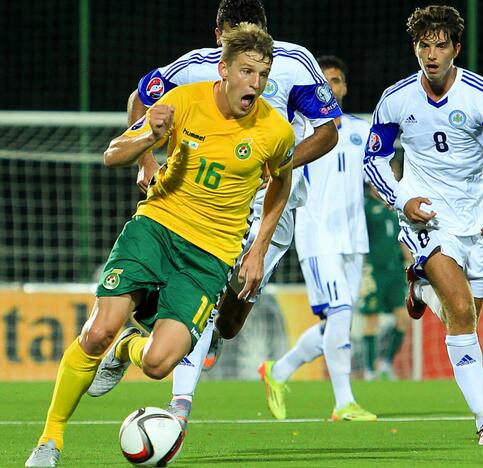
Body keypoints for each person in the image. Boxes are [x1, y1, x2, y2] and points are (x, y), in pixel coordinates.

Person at [24, 23, 295, 467]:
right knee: (95, 331)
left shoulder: (275, 131)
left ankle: (127, 349)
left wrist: (259, 248)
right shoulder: (183, 102)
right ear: (224, 70)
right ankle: (49, 442)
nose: (256, 84)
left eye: (263, 74)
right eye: (247, 72)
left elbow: (281, 185)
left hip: (209, 256)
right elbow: (112, 154)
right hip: (156, 227)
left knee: (157, 363)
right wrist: (149, 138)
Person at [121, 0, 341, 429]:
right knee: (205, 294)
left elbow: (328, 131)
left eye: (255, 35)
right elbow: (138, 98)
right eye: (236, 36)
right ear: (218, 35)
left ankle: (211, 335)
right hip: (205, 205)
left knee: (233, 315)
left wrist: (281, 164)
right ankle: (178, 409)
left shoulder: (294, 64)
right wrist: (146, 161)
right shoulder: (193, 68)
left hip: (271, 205)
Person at [363, 5, 483, 445]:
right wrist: (403, 199)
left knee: (467, 317)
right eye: (424, 44)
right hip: (428, 216)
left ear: (456, 48)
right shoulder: (396, 99)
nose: (431, 53)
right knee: (460, 310)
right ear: (415, 48)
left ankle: (420, 288)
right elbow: (374, 159)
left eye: (441, 45)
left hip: (479, 218)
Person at [258, 55, 376, 421]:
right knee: (340, 311)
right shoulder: (300, 135)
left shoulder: (362, 129)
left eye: (337, 80)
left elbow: (377, 177)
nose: (332, 86)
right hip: (318, 234)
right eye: (325, 81)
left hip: (355, 238)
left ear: (344, 86)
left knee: (336, 323)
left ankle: (276, 372)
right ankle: (343, 403)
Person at [359, 185, 412, 381]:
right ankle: (369, 370)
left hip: (395, 271)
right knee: (372, 318)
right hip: (373, 270)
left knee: (403, 319)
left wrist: (413, 263)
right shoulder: (364, 206)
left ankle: (386, 363)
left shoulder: (395, 208)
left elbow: (402, 241)